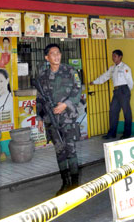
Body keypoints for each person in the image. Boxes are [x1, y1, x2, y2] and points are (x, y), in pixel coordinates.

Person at [34, 43, 82, 196]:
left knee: (71, 149)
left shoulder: (70, 71)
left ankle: (75, 183)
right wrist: (40, 117)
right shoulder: (42, 76)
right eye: (52, 53)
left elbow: (77, 90)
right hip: (52, 120)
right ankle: (65, 183)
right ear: (47, 57)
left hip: (68, 118)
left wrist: (66, 105)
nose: (56, 56)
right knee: (59, 151)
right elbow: (40, 98)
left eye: (58, 53)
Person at [90, 49, 133, 140]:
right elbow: (105, 76)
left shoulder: (125, 67)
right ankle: (112, 133)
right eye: (112, 56)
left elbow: (130, 81)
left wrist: (126, 92)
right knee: (113, 111)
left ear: (120, 57)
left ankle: (127, 133)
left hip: (124, 90)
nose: (113, 58)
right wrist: (95, 82)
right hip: (116, 91)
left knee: (126, 112)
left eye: (115, 56)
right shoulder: (112, 68)